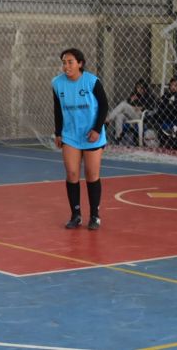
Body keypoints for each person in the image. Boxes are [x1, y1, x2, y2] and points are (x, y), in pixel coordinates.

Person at [52, 48, 108, 230]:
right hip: (70, 135)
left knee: (92, 175)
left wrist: (97, 129)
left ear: (80, 64)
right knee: (72, 174)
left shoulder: (91, 81)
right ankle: (76, 215)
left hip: (91, 134)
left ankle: (95, 216)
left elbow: (104, 106)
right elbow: (58, 110)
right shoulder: (57, 83)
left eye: (70, 62)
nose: (66, 66)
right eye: (64, 62)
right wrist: (58, 133)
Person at [105, 79, 155, 144]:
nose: (139, 89)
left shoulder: (149, 96)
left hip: (139, 115)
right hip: (129, 114)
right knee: (119, 116)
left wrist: (142, 108)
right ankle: (118, 137)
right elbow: (128, 103)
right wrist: (131, 100)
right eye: (137, 87)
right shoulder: (134, 94)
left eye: (141, 87)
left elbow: (152, 107)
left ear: (144, 88)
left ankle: (108, 119)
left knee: (123, 104)